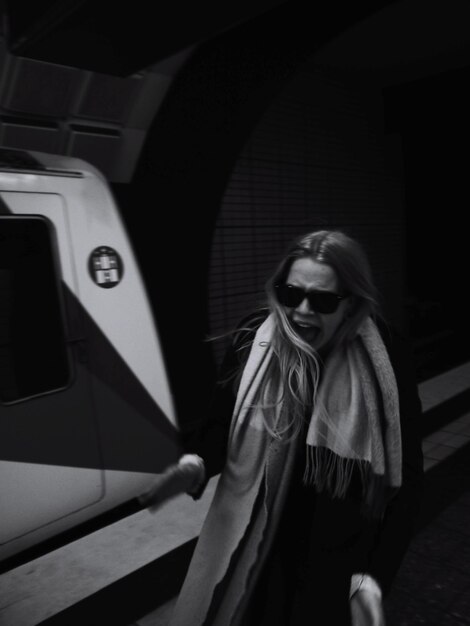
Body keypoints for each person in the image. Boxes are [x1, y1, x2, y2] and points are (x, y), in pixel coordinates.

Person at [141, 229, 424, 626]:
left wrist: (374, 577)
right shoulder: (253, 340)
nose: (302, 311)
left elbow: (407, 477)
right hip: (256, 540)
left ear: (351, 304)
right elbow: (220, 424)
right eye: (292, 294)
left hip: (336, 556)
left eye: (323, 300)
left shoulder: (386, 359)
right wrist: (197, 464)